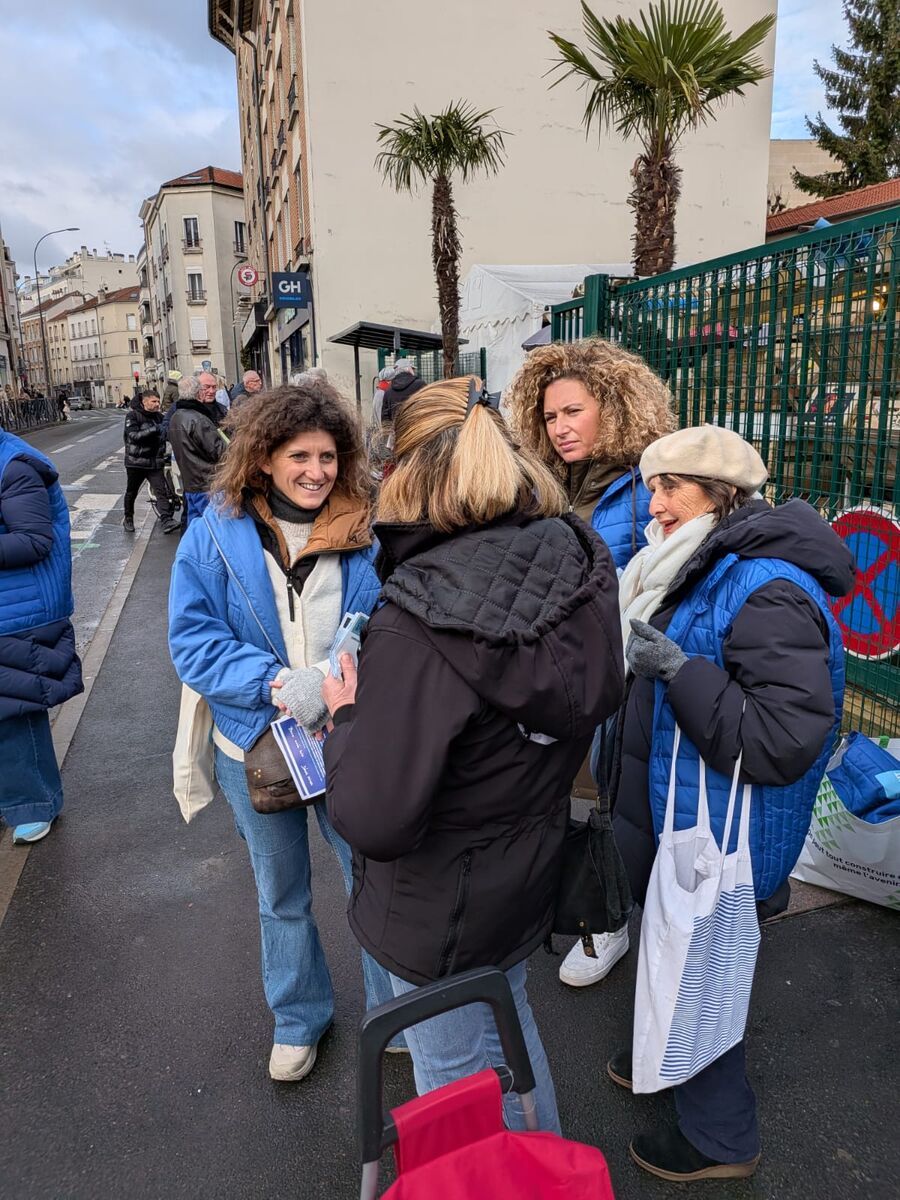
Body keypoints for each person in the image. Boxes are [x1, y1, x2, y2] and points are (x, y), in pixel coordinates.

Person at [323, 376, 624, 1133]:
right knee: (511, 1030)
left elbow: (374, 815)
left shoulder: (419, 617)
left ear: (410, 473)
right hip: (523, 867)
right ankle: (542, 1173)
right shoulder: (577, 558)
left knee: (456, 1069)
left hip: (437, 902)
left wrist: (346, 715)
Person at [605, 425, 853, 1182]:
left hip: (723, 834)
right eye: (651, 485)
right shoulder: (707, 561)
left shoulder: (767, 584)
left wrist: (678, 671)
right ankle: (667, 1054)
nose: (656, 502)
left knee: (708, 967)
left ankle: (720, 1139)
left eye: (672, 485)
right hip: (686, 814)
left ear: (724, 495)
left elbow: (781, 738)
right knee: (680, 957)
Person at [168, 380, 401, 1083]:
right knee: (281, 894)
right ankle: (299, 1018)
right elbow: (192, 639)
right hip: (254, 744)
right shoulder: (213, 530)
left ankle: (393, 1014)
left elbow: (395, 620)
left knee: (371, 879)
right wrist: (274, 684)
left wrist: (343, 669)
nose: (316, 471)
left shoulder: (367, 530)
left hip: (348, 740)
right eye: (299, 455)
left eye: (329, 456)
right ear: (264, 457)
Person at [507, 337, 676, 988]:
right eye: (551, 416)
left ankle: (607, 921)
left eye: (573, 411)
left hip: (617, 673)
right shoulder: (544, 483)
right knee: (559, 792)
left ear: (614, 407)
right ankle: (580, 903)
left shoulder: (647, 485)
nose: (560, 427)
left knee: (601, 796)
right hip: (548, 666)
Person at [0, 424, 83, 844]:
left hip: (17, 613)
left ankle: (34, 804)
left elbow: (33, 541)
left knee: (14, 715)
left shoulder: (13, 465)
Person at [166, 372, 227, 524]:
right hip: (207, 484)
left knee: (194, 527)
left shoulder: (176, 416)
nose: (211, 391)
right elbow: (220, 452)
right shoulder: (198, 419)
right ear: (199, 393)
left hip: (191, 483)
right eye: (206, 387)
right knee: (213, 528)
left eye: (214, 387)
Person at [122, 391, 179, 535]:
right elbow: (134, 436)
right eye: (154, 401)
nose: (157, 404)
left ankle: (166, 520)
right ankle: (128, 518)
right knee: (131, 491)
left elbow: (166, 435)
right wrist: (155, 430)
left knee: (161, 491)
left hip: (154, 462)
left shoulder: (160, 417)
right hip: (136, 462)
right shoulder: (133, 416)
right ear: (144, 402)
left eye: (158, 401)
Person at [379, 359, 425, 426]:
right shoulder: (420, 385)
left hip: (398, 432)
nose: (413, 371)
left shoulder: (388, 390)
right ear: (408, 369)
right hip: (417, 430)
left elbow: (385, 418)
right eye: (412, 368)